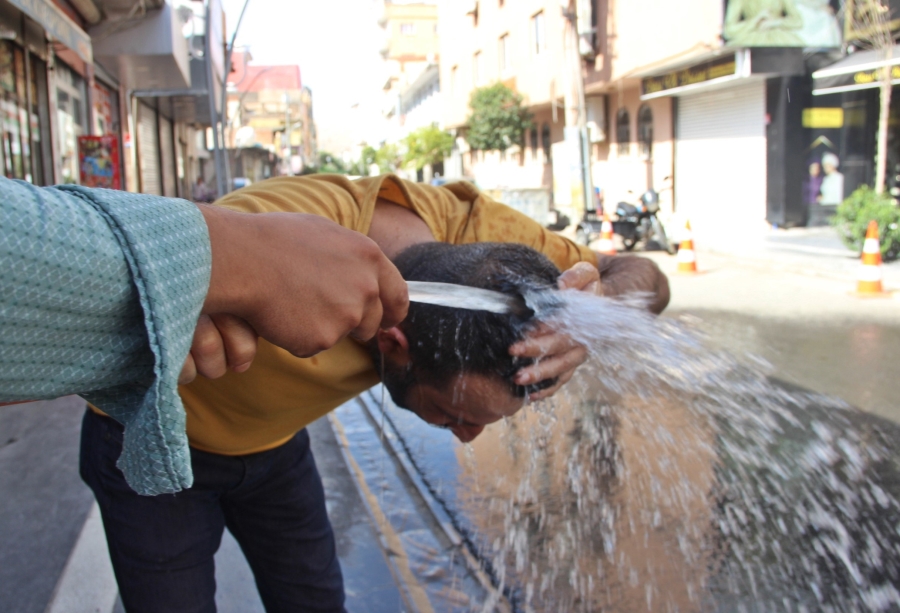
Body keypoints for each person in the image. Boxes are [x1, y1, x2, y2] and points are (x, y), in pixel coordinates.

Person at [80, 173, 670, 612]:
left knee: (315, 599)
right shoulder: (281, 225)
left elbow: (644, 274)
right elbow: (138, 264)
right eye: (457, 413)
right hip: (150, 444)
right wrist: (195, 302)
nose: (468, 437)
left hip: (276, 446)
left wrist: (595, 312)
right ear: (393, 342)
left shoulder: (485, 244)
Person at [0, 176, 409, 494]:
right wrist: (234, 260)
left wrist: (228, 262)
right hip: (143, 430)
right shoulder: (320, 208)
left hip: (272, 449)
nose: (467, 432)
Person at [723, 0, 804, 46]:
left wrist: (775, 23)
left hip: (780, 39)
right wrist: (756, 20)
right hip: (751, 39)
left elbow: (798, 21)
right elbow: (729, 30)